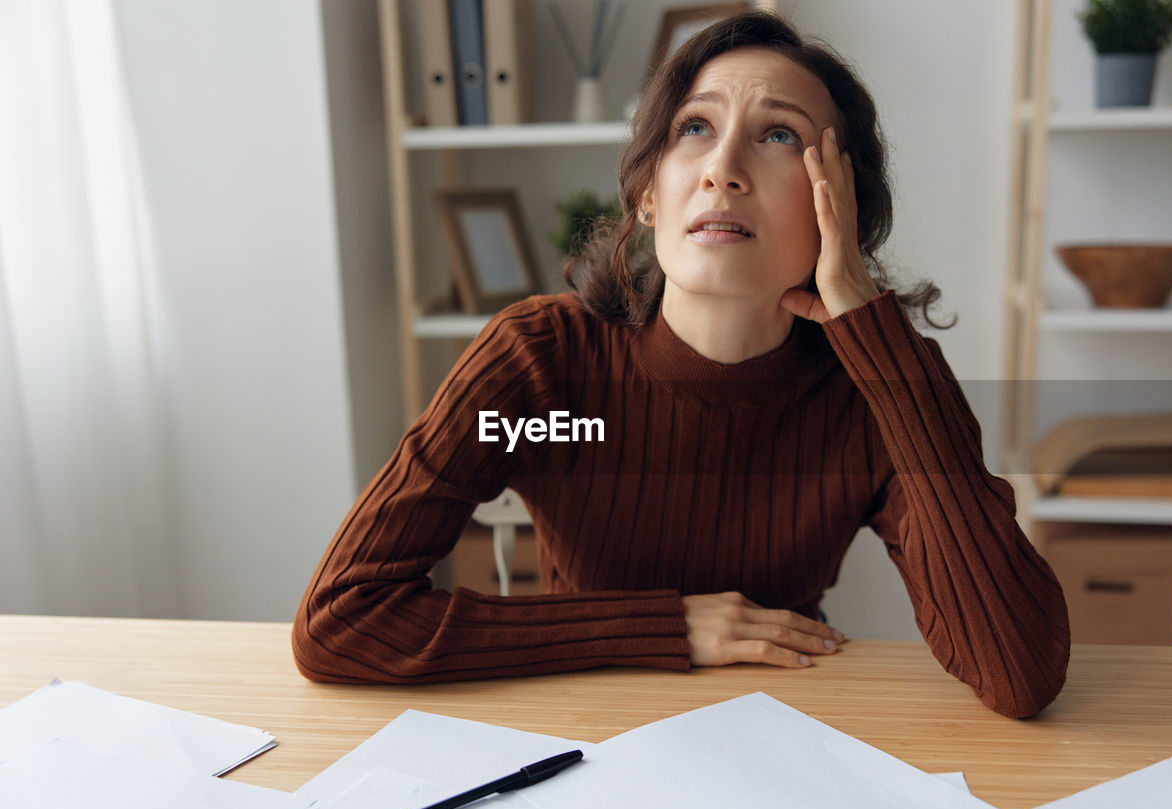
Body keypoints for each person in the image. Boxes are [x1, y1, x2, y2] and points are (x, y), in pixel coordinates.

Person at [292, 11, 1070, 718]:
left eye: (779, 137)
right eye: (694, 128)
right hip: (577, 729)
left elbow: (1018, 671)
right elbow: (341, 618)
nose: (721, 168)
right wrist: (668, 626)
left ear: (840, 208)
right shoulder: (542, 367)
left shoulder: (877, 392)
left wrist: (882, 345)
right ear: (650, 194)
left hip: (790, 730)